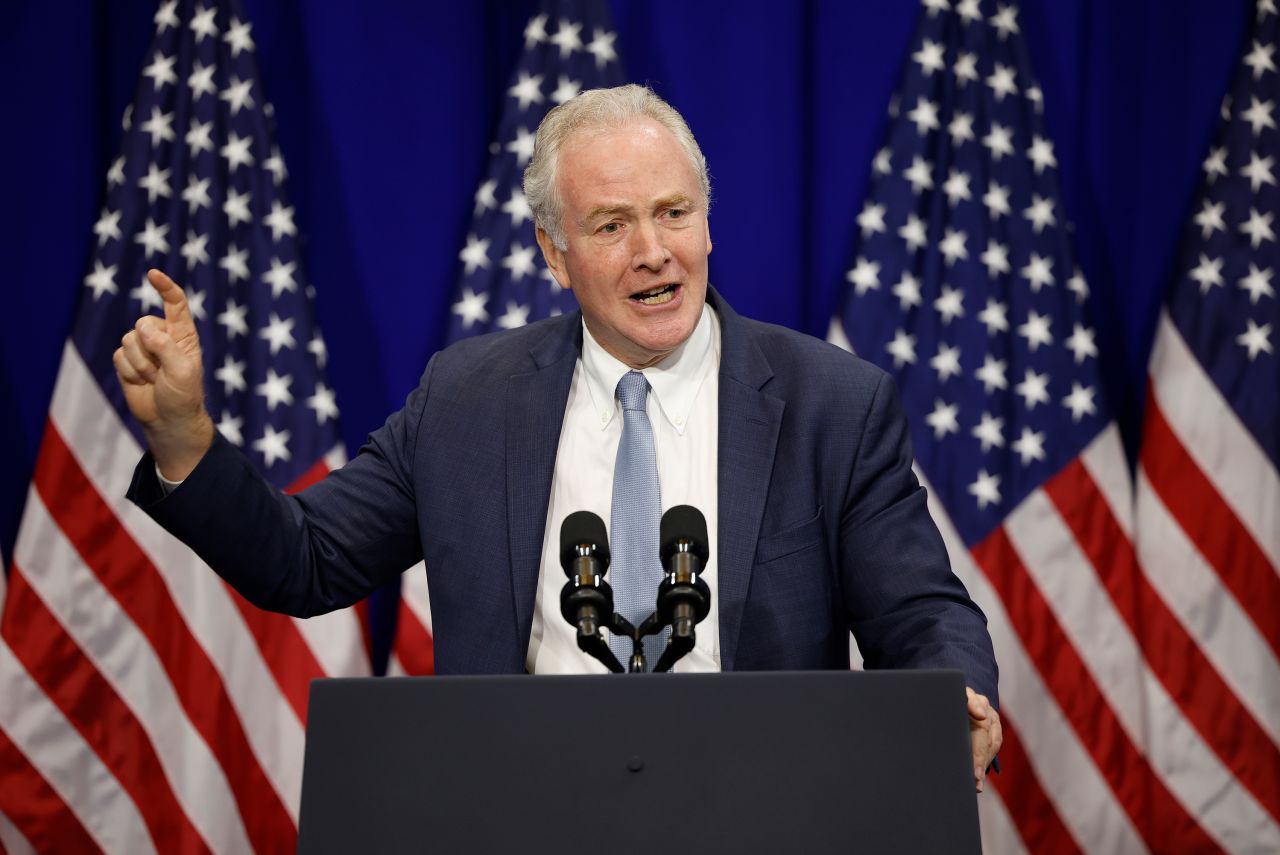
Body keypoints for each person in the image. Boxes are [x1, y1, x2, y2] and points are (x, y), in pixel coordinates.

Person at [116, 85, 1002, 790]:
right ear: (554, 252)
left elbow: (919, 611)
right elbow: (303, 561)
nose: (654, 250)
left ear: (707, 219)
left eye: (674, 212)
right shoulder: (466, 399)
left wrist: (956, 697)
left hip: (764, 807)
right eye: (613, 225)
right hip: (522, 813)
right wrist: (187, 442)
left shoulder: (831, 404)